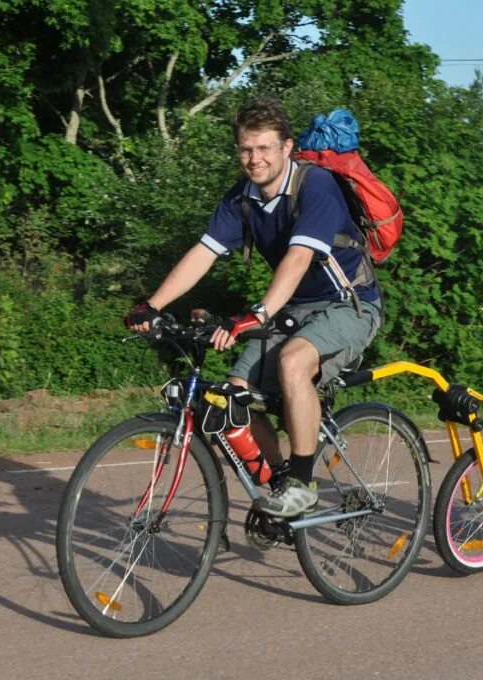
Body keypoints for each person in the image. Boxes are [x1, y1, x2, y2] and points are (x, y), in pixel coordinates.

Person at [125, 96, 382, 518]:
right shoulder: (241, 198)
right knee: (233, 397)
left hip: (349, 305)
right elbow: (203, 253)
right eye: (246, 149)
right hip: (293, 308)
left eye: (264, 148)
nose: (254, 158)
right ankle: (280, 481)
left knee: (294, 362)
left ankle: (303, 482)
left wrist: (257, 314)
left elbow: (298, 258)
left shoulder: (316, 186)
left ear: (286, 147)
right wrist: (151, 305)